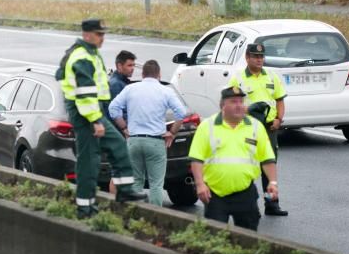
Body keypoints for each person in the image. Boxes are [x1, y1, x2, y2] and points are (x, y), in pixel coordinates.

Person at [56, 19, 140, 219]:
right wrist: (95, 121)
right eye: (99, 34)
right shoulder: (82, 57)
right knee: (89, 161)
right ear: (87, 35)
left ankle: (124, 190)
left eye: (103, 34)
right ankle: (85, 208)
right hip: (85, 113)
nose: (102, 38)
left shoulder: (90, 53)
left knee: (118, 146)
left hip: (94, 110)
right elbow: (85, 94)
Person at [189, 86, 278, 232]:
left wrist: (273, 183)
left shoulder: (255, 127)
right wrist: (200, 184)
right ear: (222, 105)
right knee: (214, 238)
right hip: (215, 194)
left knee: (248, 237)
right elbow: (196, 158)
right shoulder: (207, 126)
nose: (239, 105)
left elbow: (267, 158)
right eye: (233, 102)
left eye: (241, 101)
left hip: (245, 193)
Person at [108, 59, 188, 206]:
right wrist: (172, 132)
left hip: (134, 140)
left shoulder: (130, 89)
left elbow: (113, 109)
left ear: (143, 74)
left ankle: (135, 215)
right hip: (155, 142)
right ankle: (156, 219)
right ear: (159, 74)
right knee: (156, 184)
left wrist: (124, 128)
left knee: (136, 182)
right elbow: (182, 113)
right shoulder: (165, 91)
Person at [229, 42, 288, 216]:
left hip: (269, 129)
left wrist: (279, 119)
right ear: (247, 58)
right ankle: (245, 205)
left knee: (268, 167)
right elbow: (230, 104)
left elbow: (279, 100)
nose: (259, 60)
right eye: (255, 56)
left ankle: (272, 204)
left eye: (261, 57)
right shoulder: (238, 78)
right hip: (247, 128)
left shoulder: (271, 76)